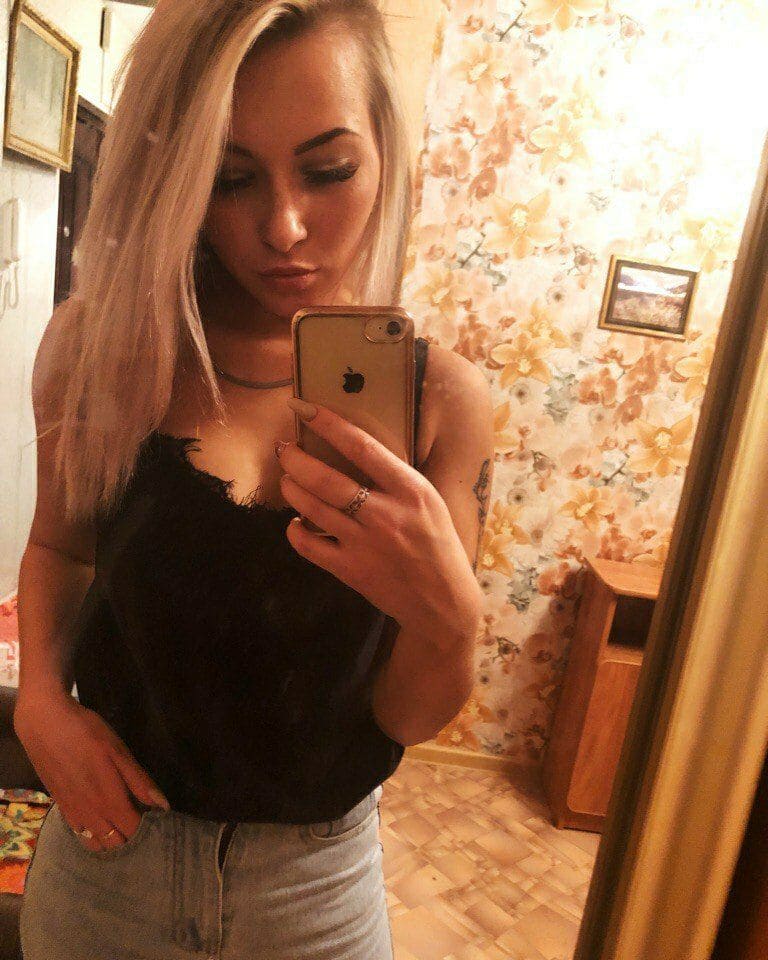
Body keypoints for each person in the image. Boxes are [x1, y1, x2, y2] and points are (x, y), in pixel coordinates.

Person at [15, 0, 494, 957]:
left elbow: (405, 715)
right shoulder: (101, 351)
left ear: (384, 154)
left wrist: (452, 620)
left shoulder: (442, 402)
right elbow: (61, 547)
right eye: (230, 179)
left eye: (329, 170)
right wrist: (39, 701)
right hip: (109, 865)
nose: (284, 227)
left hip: (314, 896)